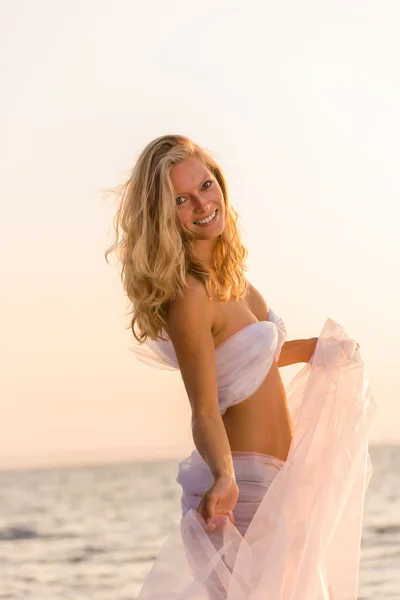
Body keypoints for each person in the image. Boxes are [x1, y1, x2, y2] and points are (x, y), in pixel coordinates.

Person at [105, 134, 376, 600]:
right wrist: (225, 476)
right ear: (162, 215)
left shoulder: (235, 281)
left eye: (206, 186)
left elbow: (255, 363)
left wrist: (317, 349)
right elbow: (205, 409)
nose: (202, 204)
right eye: (182, 200)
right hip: (246, 489)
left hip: (281, 481)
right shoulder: (188, 297)